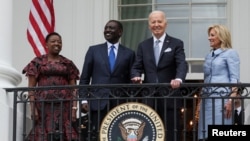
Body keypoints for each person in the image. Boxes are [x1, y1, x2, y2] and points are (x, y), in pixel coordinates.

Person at [131, 10, 188, 141]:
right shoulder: (143, 46)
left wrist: (179, 79)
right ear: (149, 25)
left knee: (171, 132)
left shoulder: (176, 43)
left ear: (166, 24)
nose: (156, 24)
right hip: (149, 97)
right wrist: (136, 75)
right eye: (153, 22)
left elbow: (182, 64)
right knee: (149, 132)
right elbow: (136, 66)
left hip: (170, 95)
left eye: (159, 21)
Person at [79, 20, 135, 139]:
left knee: (119, 136)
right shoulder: (93, 50)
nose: (107, 30)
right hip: (98, 102)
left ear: (120, 32)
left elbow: (131, 80)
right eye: (106, 28)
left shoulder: (129, 53)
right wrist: (83, 100)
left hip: (120, 103)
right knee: (97, 135)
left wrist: (130, 101)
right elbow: (84, 78)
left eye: (111, 28)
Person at [23, 32, 80, 141]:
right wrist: (33, 108)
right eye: (53, 41)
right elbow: (31, 88)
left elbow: (74, 89)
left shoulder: (68, 63)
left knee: (64, 133)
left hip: (65, 104)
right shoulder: (37, 62)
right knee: (44, 132)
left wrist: (74, 109)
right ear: (46, 45)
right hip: (43, 105)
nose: (57, 44)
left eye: (59, 42)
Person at [198, 24, 240, 141]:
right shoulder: (208, 56)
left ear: (221, 37)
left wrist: (231, 99)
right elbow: (205, 78)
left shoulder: (231, 53)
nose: (209, 38)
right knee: (205, 134)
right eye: (209, 35)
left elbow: (234, 78)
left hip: (221, 101)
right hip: (206, 100)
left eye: (212, 35)